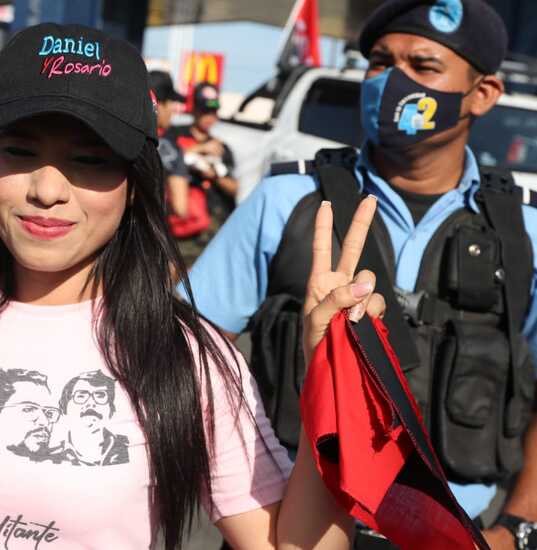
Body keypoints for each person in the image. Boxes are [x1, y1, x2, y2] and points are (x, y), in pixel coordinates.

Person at [0, 22, 384, 550]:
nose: (47, 190)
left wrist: (330, 384)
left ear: (135, 185)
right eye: (19, 151)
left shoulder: (190, 359)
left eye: (89, 161)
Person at [182, 1, 537, 548]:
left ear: (483, 93)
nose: (392, 81)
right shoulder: (287, 199)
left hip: (452, 535)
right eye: (380, 62)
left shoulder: (523, 231)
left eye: (423, 66)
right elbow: (186, 357)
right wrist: (244, 504)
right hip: (291, 530)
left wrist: (515, 529)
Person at [166, 81, 239, 265]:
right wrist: (199, 150)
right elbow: (162, 158)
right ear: (194, 109)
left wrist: (214, 175)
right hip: (179, 227)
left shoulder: (221, 148)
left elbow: (235, 188)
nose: (209, 116)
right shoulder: (174, 135)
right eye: (204, 110)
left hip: (213, 229)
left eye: (213, 111)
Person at [148, 70, 191, 220]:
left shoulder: (121, 134)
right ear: (159, 105)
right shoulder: (170, 148)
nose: (173, 110)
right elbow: (180, 208)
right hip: (148, 226)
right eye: (172, 103)